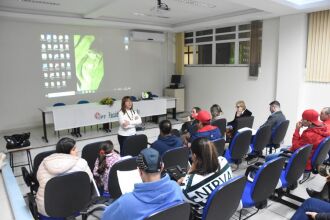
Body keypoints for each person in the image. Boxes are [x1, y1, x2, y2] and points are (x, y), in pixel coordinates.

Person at [101, 148, 184, 220]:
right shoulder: (176, 188)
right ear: (162, 167)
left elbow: (105, 217)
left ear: (139, 171)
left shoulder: (125, 203)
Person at [36, 137, 93, 217]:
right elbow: (89, 181)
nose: (76, 151)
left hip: (49, 209)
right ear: (67, 151)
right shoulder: (81, 163)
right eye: (73, 149)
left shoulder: (44, 163)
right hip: (76, 206)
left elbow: (38, 179)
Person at [179, 138, 233, 219]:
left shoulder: (189, 185)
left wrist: (189, 174)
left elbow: (180, 198)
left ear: (194, 156)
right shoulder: (223, 161)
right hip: (227, 208)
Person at [265, 109, 330, 171]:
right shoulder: (322, 128)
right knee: (284, 148)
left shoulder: (309, 135)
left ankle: (270, 175)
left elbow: (295, 146)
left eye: (303, 119)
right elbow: (301, 143)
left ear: (309, 122)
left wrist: (297, 130)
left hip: (302, 159)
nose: (301, 120)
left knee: (268, 157)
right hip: (309, 155)